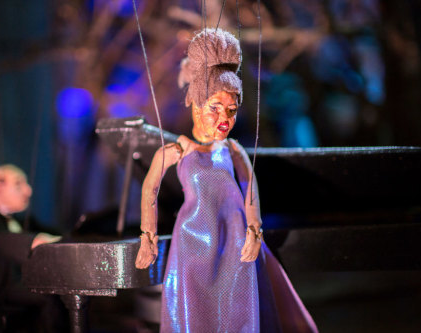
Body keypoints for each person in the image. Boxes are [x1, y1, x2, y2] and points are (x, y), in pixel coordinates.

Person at [135, 29, 318, 332]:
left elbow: (250, 190)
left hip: (233, 236)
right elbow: (149, 189)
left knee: (238, 310)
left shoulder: (233, 149)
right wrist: (148, 236)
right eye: (215, 108)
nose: (224, 118)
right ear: (196, 104)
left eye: (231, 110)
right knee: (194, 309)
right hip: (193, 239)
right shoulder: (178, 149)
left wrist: (254, 228)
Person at [0, 164, 66, 332]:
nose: (28, 190)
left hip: (22, 283)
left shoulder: (23, 221)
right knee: (49, 296)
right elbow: (6, 242)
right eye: (18, 184)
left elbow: (56, 234)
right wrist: (38, 241)